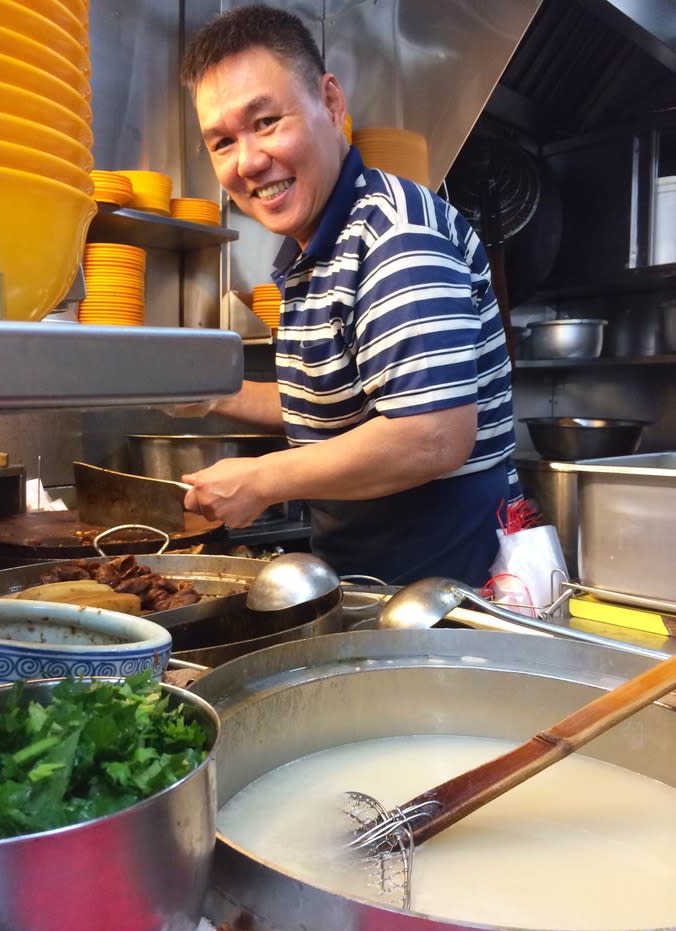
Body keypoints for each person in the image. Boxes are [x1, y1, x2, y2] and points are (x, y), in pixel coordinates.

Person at [177, 4, 520, 587]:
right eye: (222, 142)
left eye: (265, 122)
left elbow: (433, 436)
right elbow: (326, 406)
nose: (249, 161)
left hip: (450, 595)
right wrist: (206, 396)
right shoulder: (317, 250)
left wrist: (262, 479)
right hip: (374, 582)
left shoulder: (395, 234)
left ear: (331, 103)